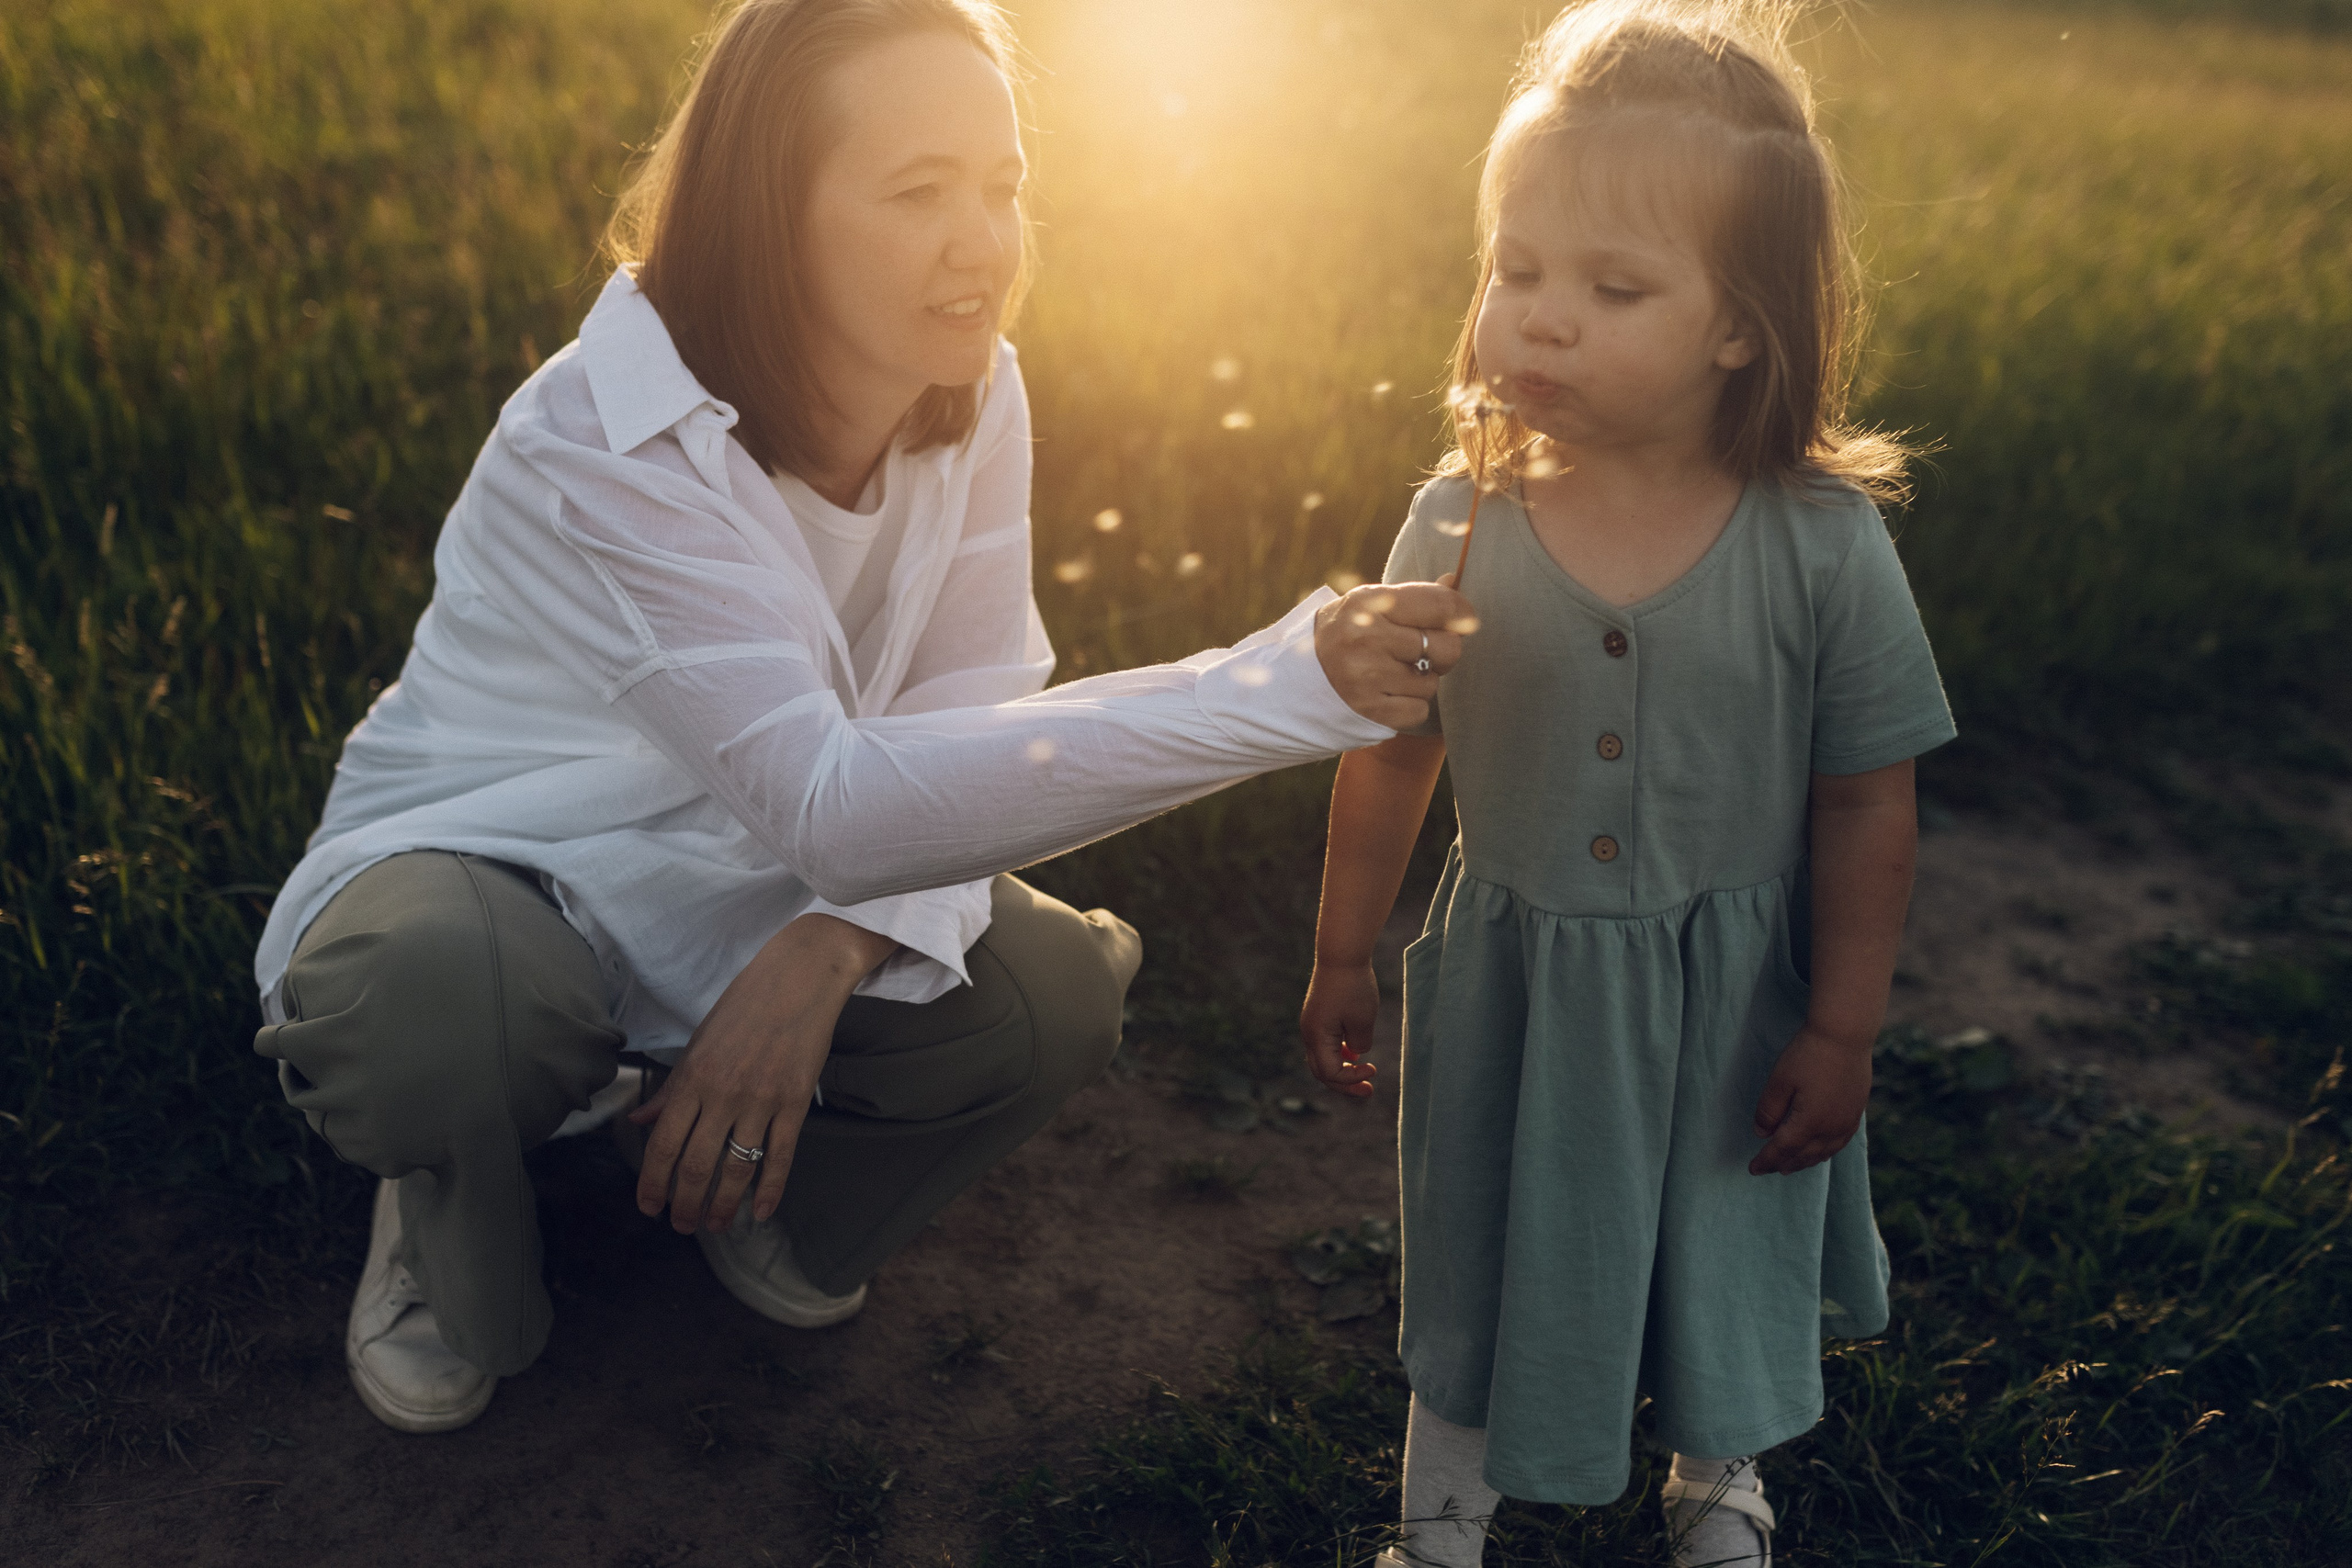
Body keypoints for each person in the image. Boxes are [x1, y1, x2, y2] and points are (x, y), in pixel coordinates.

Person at [253, 0, 1473, 1437]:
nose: (984, 240)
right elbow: (839, 804)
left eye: (1002, 185)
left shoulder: (968, 387)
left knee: (1049, 998)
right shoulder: (602, 436)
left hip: (773, 873)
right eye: (918, 192)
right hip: (509, 879)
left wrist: (829, 950)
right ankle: (448, 1214)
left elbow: (972, 728)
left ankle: (756, 1197)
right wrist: (1281, 688)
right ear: (775, 215)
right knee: (437, 1009)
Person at [1296, 4, 1954, 1563]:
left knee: (1717, 1234)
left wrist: (1843, 1021)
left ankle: (1719, 1473)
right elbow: (1393, 750)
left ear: (1741, 323)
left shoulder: (1821, 543)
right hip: (1523, 976)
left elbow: (1869, 799)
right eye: (1516, 271)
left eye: (1612, 287)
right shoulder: (1463, 518)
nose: (1543, 319)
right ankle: (1442, 1506)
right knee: (1485, 1239)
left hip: (1728, 990)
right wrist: (1342, 949)